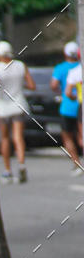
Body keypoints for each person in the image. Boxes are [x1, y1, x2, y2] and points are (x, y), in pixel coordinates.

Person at [0, 40, 35, 184]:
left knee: (4, 138)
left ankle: (7, 170)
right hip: (19, 104)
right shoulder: (21, 66)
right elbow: (32, 85)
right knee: (18, 136)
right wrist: (20, 85)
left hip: (3, 106)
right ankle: (21, 164)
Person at [50, 41, 82, 175]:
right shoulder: (80, 66)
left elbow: (53, 85)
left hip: (68, 106)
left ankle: (77, 164)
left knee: (67, 137)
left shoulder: (61, 68)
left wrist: (61, 92)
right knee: (81, 135)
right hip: (80, 106)